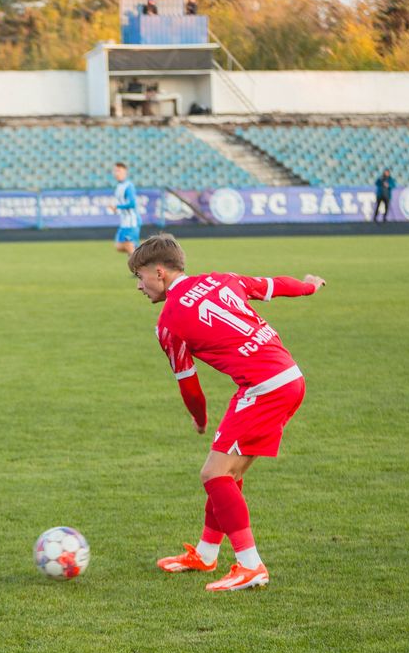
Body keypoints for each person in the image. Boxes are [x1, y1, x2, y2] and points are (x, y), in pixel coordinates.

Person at [131, 234, 326, 592]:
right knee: (228, 473)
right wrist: (309, 287)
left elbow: (189, 385)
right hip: (288, 377)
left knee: (214, 473)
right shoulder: (219, 279)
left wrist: (200, 419)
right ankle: (206, 554)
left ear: (159, 272)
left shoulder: (169, 323)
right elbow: (275, 286)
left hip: (263, 387)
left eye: (139, 276)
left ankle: (251, 566)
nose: (139, 286)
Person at [113, 162, 140, 253]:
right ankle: (146, 249)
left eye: (119, 171)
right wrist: (116, 209)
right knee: (118, 246)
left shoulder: (129, 186)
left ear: (125, 172)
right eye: (115, 171)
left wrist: (117, 206)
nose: (116, 173)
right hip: (124, 222)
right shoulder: (118, 186)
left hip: (131, 222)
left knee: (130, 248)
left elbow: (132, 204)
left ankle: (138, 263)